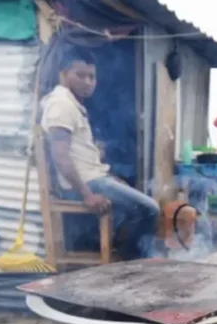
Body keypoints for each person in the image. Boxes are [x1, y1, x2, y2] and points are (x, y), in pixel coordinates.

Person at [41, 47, 160, 260]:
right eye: (80, 75)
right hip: (85, 185)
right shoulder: (61, 104)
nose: (88, 82)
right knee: (150, 209)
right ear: (63, 74)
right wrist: (87, 194)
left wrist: (109, 177)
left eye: (92, 77)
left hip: (94, 178)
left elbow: (79, 154)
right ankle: (132, 263)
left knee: (129, 200)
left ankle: (120, 253)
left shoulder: (72, 104)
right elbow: (61, 156)